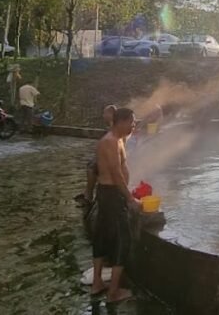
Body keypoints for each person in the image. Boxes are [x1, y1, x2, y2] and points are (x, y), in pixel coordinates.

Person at [90, 107, 136, 303]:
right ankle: (113, 292)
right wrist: (130, 198)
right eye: (132, 122)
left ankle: (97, 283)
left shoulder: (117, 139)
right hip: (112, 195)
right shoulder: (109, 142)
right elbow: (116, 174)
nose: (133, 126)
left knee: (102, 236)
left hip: (107, 193)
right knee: (123, 240)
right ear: (122, 121)